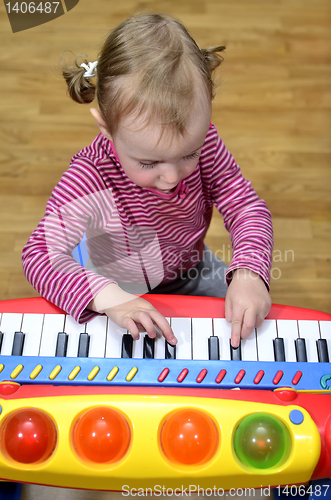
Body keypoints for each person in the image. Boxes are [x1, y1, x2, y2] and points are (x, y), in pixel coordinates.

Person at [22, 12, 273, 349]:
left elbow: (245, 207)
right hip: (114, 284)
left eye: (188, 154)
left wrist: (250, 273)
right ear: (106, 128)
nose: (171, 177)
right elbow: (40, 254)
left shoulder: (207, 143)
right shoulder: (90, 176)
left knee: (247, 324)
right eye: (149, 161)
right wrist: (108, 297)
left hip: (190, 272)